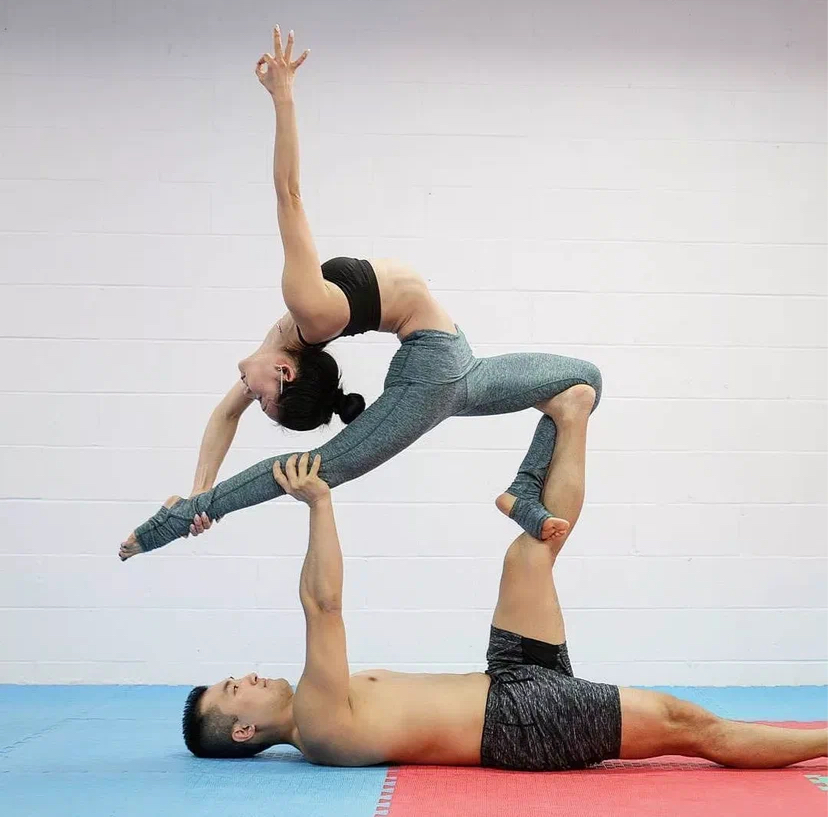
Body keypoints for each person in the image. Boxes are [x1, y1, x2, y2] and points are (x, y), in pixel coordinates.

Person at [118, 26, 602, 560]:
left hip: (444, 367)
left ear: (284, 373)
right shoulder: (296, 335)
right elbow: (225, 416)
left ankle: (523, 493)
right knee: (318, 470)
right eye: (261, 401)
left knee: (581, 385)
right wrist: (197, 496)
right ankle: (170, 525)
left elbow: (289, 195)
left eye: (260, 399)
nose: (248, 394)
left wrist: (283, 95)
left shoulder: (309, 311)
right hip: (443, 367)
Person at [181, 385, 827, 769]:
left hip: (506, 678)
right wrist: (319, 504)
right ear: (243, 731)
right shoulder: (318, 723)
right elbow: (323, 606)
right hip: (522, 721)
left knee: (529, 552)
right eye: (235, 689)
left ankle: (571, 414)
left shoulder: (317, 705)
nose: (249, 676)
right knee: (691, 726)